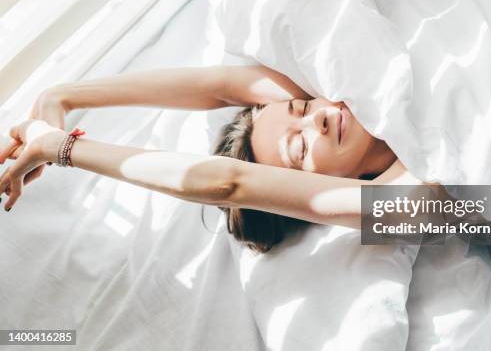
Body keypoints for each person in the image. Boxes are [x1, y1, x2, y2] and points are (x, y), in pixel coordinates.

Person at [0, 66, 429, 252]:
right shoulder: (417, 206)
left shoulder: (348, 98)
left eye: (299, 109)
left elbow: (222, 85)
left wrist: (62, 95)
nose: (315, 120)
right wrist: (64, 148)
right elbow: (230, 183)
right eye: (298, 149)